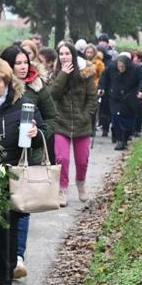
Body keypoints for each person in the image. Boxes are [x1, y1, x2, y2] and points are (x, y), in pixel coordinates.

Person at [0, 58, 44, 285]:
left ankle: (5, 281)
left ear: (7, 82)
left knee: (8, 228)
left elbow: (45, 131)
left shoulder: (23, 104)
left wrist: (37, 134)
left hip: (11, 174)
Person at [0, 46, 58, 280]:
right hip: (4, 158)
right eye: (18, 63)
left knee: (21, 208)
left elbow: (51, 118)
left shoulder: (37, 86)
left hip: (28, 158)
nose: (23, 67)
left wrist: (39, 134)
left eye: (26, 62)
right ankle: (0, 262)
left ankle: (17, 258)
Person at [49, 41, 98, 206]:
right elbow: (52, 95)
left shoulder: (85, 74)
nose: (64, 57)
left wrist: (85, 116)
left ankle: (81, 183)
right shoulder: (55, 74)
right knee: (62, 158)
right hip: (61, 123)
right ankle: (62, 189)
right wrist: (63, 74)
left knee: (82, 160)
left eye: (67, 53)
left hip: (82, 124)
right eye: (61, 54)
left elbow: (92, 98)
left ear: (74, 55)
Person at [99, 54, 141, 151]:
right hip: (115, 97)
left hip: (128, 98)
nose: (120, 68)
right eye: (119, 66)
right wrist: (102, 88)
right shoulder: (112, 67)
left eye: (123, 66)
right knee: (115, 118)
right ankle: (119, 140)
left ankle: (125, 139)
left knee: (126, 120)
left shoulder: (135, 69)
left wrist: (141, 90)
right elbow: (104, 77)